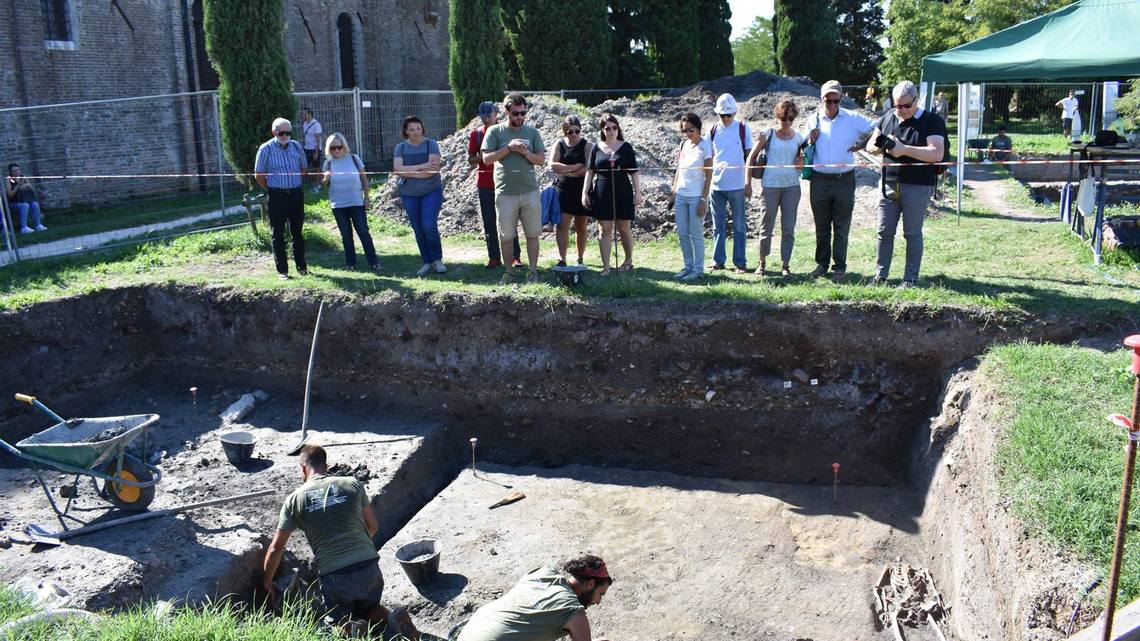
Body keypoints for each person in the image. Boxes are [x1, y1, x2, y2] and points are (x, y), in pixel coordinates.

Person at [262, 444, 421, 639]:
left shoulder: (294, 500)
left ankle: (352, 627)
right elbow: (373, 527)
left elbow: (276, 547)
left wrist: (267, 582)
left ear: (303, 467)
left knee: (336, 620)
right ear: (325, 466)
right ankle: (393, 618)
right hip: (368, 567)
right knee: (370, 607)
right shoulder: (352, 484)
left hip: (335, 575)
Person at [865, 80, 947, 289]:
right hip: (888, 183)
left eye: (906, 106)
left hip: (918, 185)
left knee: (912, 233)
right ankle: (880, 277)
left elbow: (937, 153)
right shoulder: (888, 117)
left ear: (916, 101)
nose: (900, 110)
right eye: (897, 105)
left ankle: (910, 279)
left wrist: (904, 149)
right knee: (884, 232)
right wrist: (880, 146)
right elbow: (870, 145)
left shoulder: (932, 121)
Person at [805, 80, 876, 282]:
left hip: (844, 179)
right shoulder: (813, 120)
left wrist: (863, 144)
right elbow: (804, 147)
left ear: (842, 98)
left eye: (836, 100)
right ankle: (821, 264)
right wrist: (810, 140)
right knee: (821, 226)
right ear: (822, 100)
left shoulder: (852, 118)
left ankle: (840, 266)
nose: (833, 105)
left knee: (842, 226)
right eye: (829, 101)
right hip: (819, 180)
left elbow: (879, 125)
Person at [456, 555, 613, 641]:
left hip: (469, 633)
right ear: (591, 584)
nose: (598, 601)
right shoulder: (575, 613)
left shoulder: (543, 573)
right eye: (601, 594)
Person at [481, 93, 546, 283]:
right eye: (515, 113)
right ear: (506, 111)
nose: (519, 117)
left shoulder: (532, 133)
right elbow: (486, 159)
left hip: (529, 191)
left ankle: (533, 271)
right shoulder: (495, 131)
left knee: (533, 234)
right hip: (505, 192)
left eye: (522, 113)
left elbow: (541, 160)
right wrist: (508, 148)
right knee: (506, 235)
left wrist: (525, 152)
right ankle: (509, 271)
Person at [746, 100, 805, 277]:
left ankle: (785, 266)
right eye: (784, 118)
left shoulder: (798, 137)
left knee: (788, 228)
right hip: (770, 187)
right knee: (766, 226)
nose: (787, 123)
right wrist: (747, 183)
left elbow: (802, 163)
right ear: (777, 117)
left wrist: (801, 162)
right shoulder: (768, 134)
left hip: (792, 187)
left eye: (790, 119)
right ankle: (762, 263)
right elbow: (751, 158)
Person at [582, 113, 642, 275]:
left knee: (624, 228)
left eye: (614, 128)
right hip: (602, 191)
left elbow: (634, 173)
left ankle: (628, 261)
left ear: (618, 129)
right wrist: (585, 193)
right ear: (602, 130)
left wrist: (638, 194)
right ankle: (606, 267)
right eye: (607, 128)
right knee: (604, 229)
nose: (611, 131)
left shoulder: (626, 147)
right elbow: (590, 172)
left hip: (623, 191)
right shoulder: (596, 147)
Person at [254, 117, 309, 279]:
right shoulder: (266, 149)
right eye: (281, 133)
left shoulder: (297, 147)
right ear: (274, 132)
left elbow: (304, 169)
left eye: (288, 132)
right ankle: (282, 271)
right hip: (277, 195)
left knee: (297, 232)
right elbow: (259, 175)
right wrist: (272, 187)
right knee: (278, 234)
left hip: (296, 194)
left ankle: (302, 267)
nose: (285, 135)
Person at [467, 101, 520, 269]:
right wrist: (483, 158)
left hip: (505, 182)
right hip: (485, 183)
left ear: (496, 114)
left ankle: (515, 256)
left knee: (509, 219)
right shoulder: (476, 134)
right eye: (482, 116)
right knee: (489, 221)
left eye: (488, 115)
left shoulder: (506, 132)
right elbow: (471, 159)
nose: (485, 119)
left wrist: (496, 155)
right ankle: (494, 257)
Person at [394, 116, 445, 276]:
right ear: (406, 132)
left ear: (422, 128)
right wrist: (422, 166)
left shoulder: (431, 145)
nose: (416, 132)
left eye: (418, 128)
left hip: (431, 192)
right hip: (409, 195)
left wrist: (409, 172)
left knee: (429, 225)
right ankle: (427, 262)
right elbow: (397, 170)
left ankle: (437, 260)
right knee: (418, 229)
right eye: (411, 129)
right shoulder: (400, 148)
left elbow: (432, 171)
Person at [707, 93, 753, 273]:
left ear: (734, 113)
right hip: (716, 186)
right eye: (722, 115)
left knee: (739, 225)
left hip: (737, 185)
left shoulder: (743, 128)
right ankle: (718, 260)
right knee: (718, 226)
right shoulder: (711, 131)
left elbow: (749, 155)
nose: (726, 118)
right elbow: (707, 156)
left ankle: (740, 262)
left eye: (729, 115)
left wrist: (748, 182)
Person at [321, 133, 379, 271]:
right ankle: (351, 264)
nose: (336, 150)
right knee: (346, 236)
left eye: (339, 147)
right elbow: (325, 186)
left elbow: (364, 180)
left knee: (363, 232)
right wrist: (326, 178)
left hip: (356, 203)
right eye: (333, 148)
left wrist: (367, 198)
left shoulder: (354, 159)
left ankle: (374, 262)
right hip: (338, 205)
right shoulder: (328, 163)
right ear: (329, 149)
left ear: (344, 146)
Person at [670, 112, 712, 282]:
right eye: (684, 131)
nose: (687, 134)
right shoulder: (684, 145)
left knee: (695, 234)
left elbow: (709, 176)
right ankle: (688, 266)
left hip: (696, 196)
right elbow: (679, 170)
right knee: (682, 233)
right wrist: (673, 192)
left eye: (691, 130)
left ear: (698, 129)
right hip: (681, 195)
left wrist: (703, 199)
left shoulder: (706, 146)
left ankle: (698, 269)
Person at [551, 116, 592, 267]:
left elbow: (589, 168)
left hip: (582, 189)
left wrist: (566, 170)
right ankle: (562, 259)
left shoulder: (587, 145)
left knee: (581, 226)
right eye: (570, 132)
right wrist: (574, 168)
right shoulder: (559, 144)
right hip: (563, 189)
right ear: (565, 132)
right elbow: (553, 165)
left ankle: (580, 258)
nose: (574, 134)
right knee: (562, 225)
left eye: (577, 131)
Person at [6, 164, 46, 233]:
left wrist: (27, 185)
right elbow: (10, 195)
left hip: (26, 199)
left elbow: (32, 190)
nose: (17, 172)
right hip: (15, 202)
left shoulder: (23, 177)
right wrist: (18, 186)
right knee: (25, 205)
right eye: (14, 171)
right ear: (11, 172)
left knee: (35, 204)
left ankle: (38, 225)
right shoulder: (9, 180)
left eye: (18, 170)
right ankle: (23, 227)